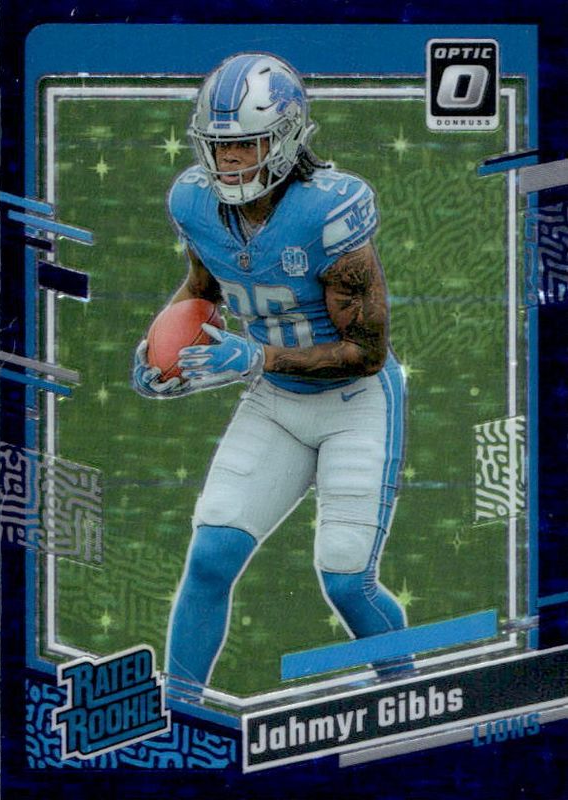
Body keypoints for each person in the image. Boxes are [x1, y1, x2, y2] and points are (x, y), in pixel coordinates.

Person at [132, 53, 407, 700]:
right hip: (276, 402)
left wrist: (254, 358)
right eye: (218, 146)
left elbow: (366, 349)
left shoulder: (329, 209)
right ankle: (180, 713)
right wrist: (161, 347)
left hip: (354, 403)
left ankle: (409, 693)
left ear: (284, 138)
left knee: (346, 580)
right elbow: (203, 286)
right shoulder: (194, 201)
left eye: (246, 144)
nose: (229, 161)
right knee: (209, 558)